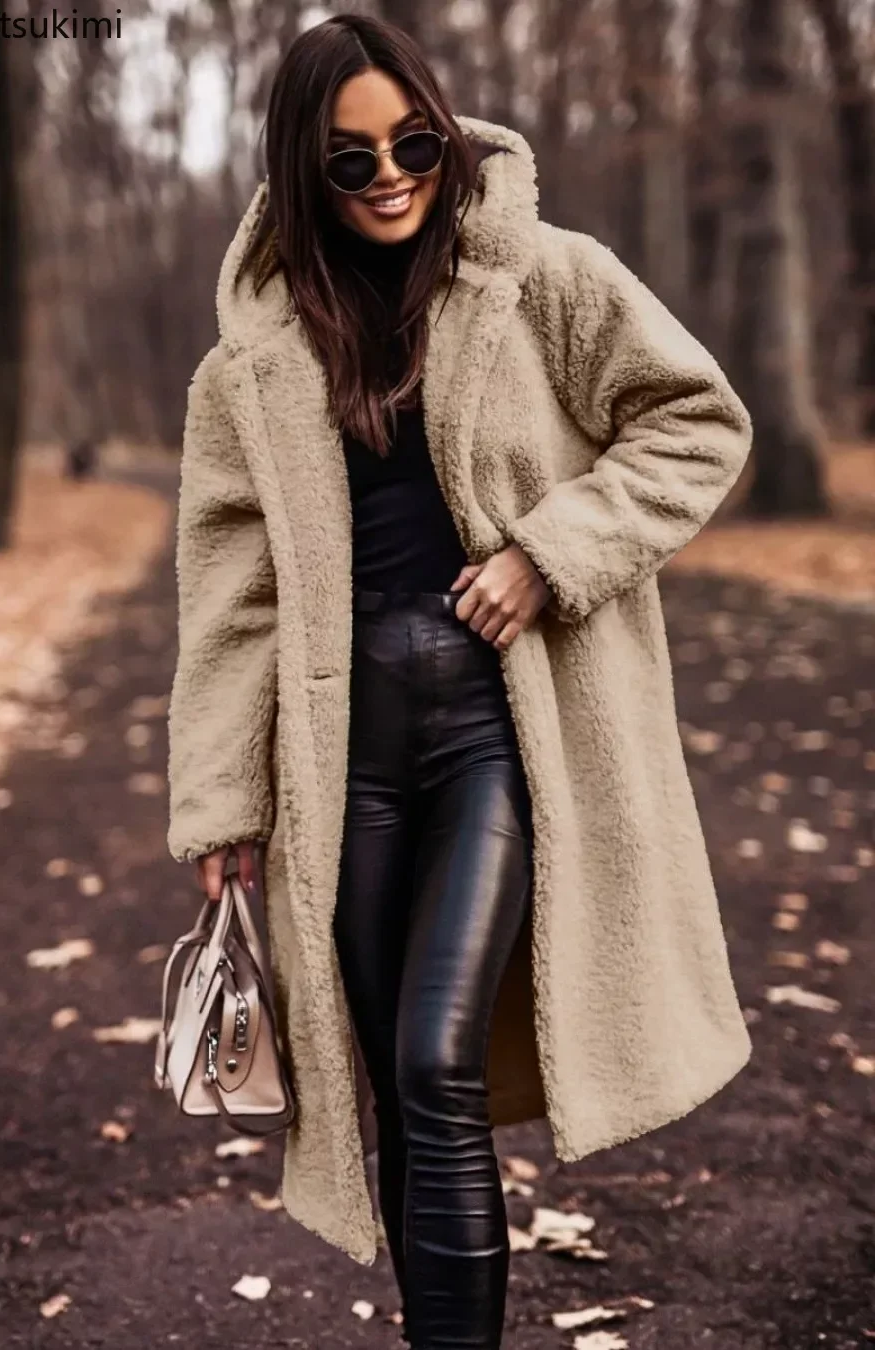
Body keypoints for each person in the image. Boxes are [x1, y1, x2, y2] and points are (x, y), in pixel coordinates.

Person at [166, 13, 754, 1349]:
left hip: (499, 730)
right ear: (300, 171)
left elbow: (695, 418)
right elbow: (228, 596)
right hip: (342, 759)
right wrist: (220, 802)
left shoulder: (541, 277)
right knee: (394, 1081)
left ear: (443, 133)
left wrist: (552, 554)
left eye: (413, 141)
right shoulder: (244, 370)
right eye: (350, 156)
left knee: (438, 1051)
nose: (389, 173)